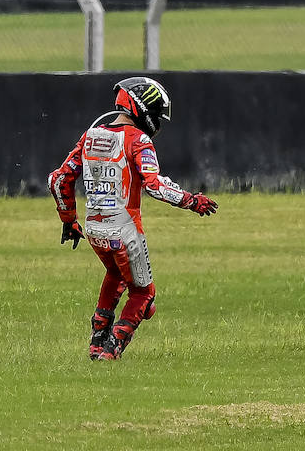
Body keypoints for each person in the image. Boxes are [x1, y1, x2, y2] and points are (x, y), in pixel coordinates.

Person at [48, 77, 218, 360]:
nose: (157, 121)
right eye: (155, 112)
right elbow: (155, 186)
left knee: (116, 275)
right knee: (144, 296)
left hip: (93, 229)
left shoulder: (90, 135)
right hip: (125, 230)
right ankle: (110, 350)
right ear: (142, 106)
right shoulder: (138, 140)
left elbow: (59, 179)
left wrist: (69, 219)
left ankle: (96, 342)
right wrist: (192, 201)